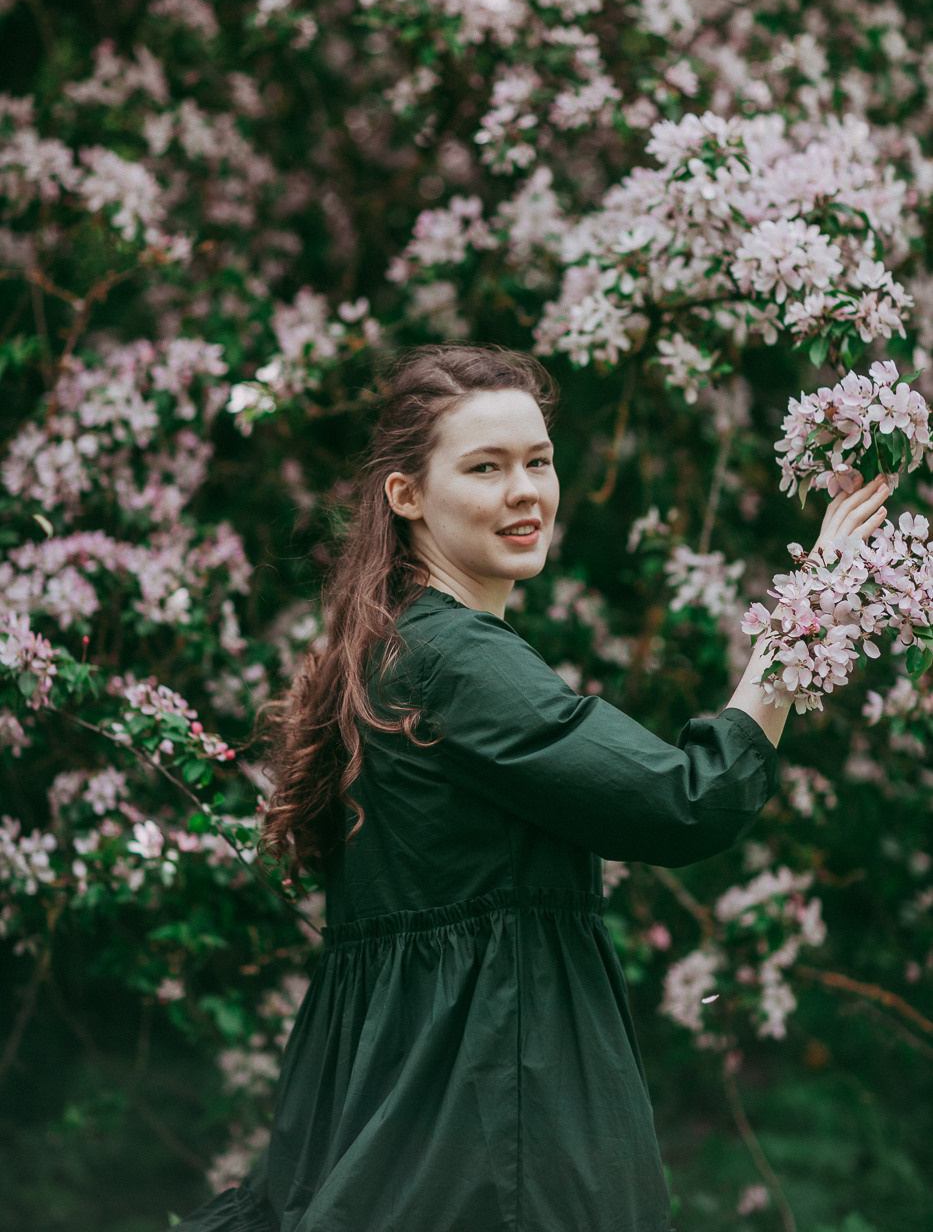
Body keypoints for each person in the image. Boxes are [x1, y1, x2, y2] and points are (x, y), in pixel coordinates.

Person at [173, 343, 890, 1232]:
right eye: (485, 468)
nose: (525, 492)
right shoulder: (455, 661)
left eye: (538, 462)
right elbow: (686, 801)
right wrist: (803, 615)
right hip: (492, 1125)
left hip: (421, 1112)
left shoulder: (401, 644)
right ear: (405, 495)